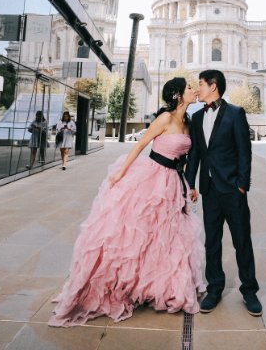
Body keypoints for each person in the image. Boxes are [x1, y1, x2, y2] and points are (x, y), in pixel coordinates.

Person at [49, 77, 206, 327]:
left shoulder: (187, 122)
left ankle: (159, 286)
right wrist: (122, 173)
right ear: (177, 94)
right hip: (152, 177)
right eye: (189, 88)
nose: (194, 90)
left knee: (166, 236)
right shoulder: (165, 118)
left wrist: (189, 184)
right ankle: (125, 285)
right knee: (137, 234)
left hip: (173, 183)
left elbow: (184, 158)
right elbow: (141, 145)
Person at [185, 69, 261, 317]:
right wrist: (190, 184)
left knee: (242, 241)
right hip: (209, 190)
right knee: (212, 242)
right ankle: (215, 288)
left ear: (213, 85)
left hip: (232, 189)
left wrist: (242, 185)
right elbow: (195, 153)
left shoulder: (236, 114)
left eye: (201, 84)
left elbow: (244, 152)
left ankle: (249, 291)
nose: (198, 89)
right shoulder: (196, 117)